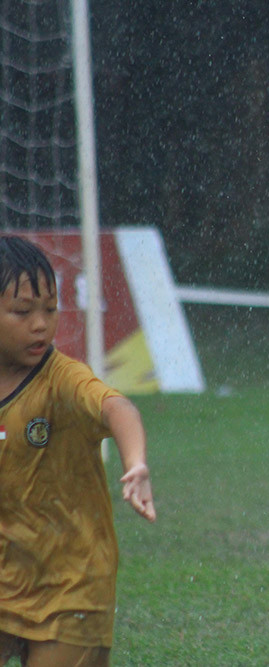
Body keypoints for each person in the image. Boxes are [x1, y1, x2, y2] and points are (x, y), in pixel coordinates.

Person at [0, 235, 157, 667]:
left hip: (71, 587)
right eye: (22, 311)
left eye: (50, 310)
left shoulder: (64, 380)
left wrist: (136, 462)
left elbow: (118, 408)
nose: (41, 325)